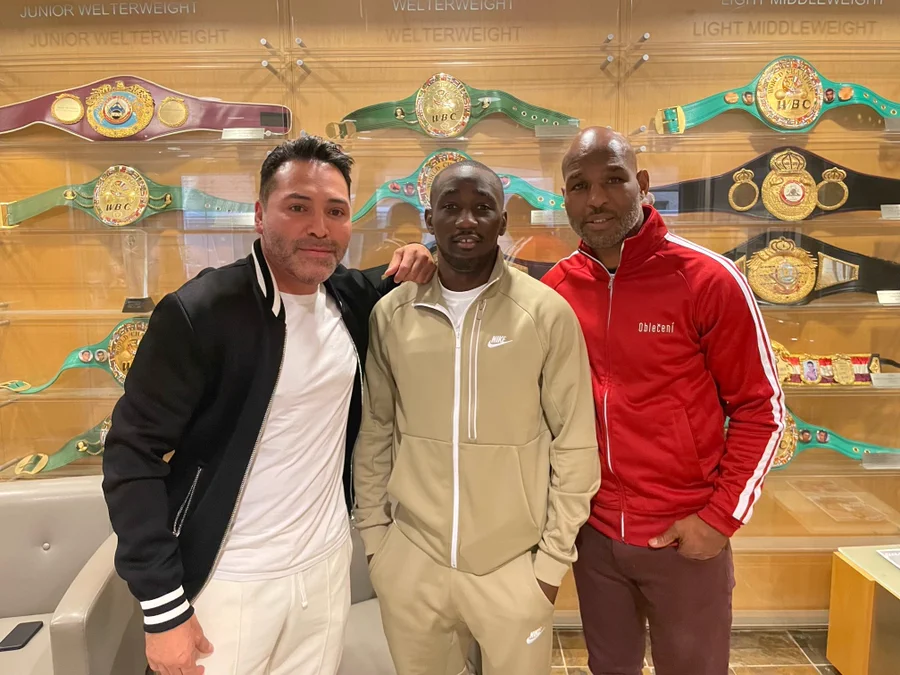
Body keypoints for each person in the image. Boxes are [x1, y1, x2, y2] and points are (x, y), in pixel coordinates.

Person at [101, 136, 437, 675]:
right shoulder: (201, 313)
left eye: (336, 212)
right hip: (227, 579)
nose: (320, 228)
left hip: (326, 568)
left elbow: (392, 277)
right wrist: (162, 608)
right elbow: (130, 457)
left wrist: (419, 254)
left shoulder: (350, 298)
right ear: (260, 215)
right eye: (298, 208)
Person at [542, 128, 785, 675]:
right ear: (565, 197)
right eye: (579, 186)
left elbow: (762, 409)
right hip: (595, 536)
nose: (596, 199)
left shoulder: (708, 279)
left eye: (613, 180)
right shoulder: (557, 289)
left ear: (643, 184)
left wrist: (719, 518)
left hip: (685, 536)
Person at [352, 160, 600, 675]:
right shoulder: (392, 314)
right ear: (430, 218)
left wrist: (550, 566)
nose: (466, 220)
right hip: (411, 561)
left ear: (502, 221)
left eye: (482, 208)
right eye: (451, 207)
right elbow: (375, 433)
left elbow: (574, 442)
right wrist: (377, 544)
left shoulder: (545, 313)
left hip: (513, 566)